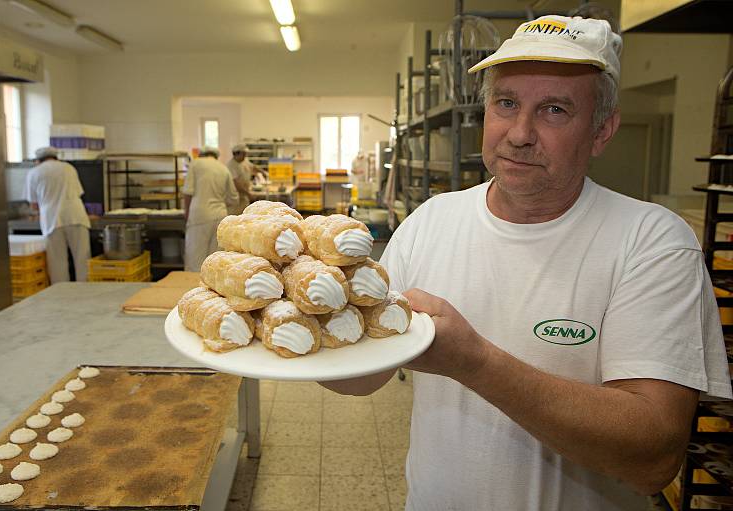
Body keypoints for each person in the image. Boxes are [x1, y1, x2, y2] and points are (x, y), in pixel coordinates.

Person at [323, 15, 732, 510]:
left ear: (602, 130)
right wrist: (311, 326)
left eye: (554, 110)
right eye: (507, 102)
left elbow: (651, 459)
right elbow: (364, 377)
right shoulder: (432, 221)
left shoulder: (651, 243)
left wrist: (474, 362)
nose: (519, 133)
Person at [25, 146, 91, 283]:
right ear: (56, 157)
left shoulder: (34, 172)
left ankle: (60, 295)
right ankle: (86, 293)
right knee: (82, 259)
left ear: (38, 160)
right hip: (76, 216)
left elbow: (34, 205)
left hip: (51, 220)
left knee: (57, 262)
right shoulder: (69, 168)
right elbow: (78, 193)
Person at [183, 146, 238, 271]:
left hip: (199, 216)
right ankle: (212, 289)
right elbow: (233, 198)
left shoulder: (196, 164)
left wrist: (186, 212)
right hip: (220, 217)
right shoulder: (223, 168)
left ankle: (195, 289)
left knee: (195, 260)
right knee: (215, 262)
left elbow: (187, 192)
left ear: (201, 155)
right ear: (216, 156)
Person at [226, 143, 253, 214]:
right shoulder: (231, 165)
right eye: (243, 154)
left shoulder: (244, 161)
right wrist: (248, 194)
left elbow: (253, 167)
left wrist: (263, 172)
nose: (245, 156)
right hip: (236, 199)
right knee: (237, 218)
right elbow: (236, 183)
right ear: (236, 154)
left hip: (244, 197)